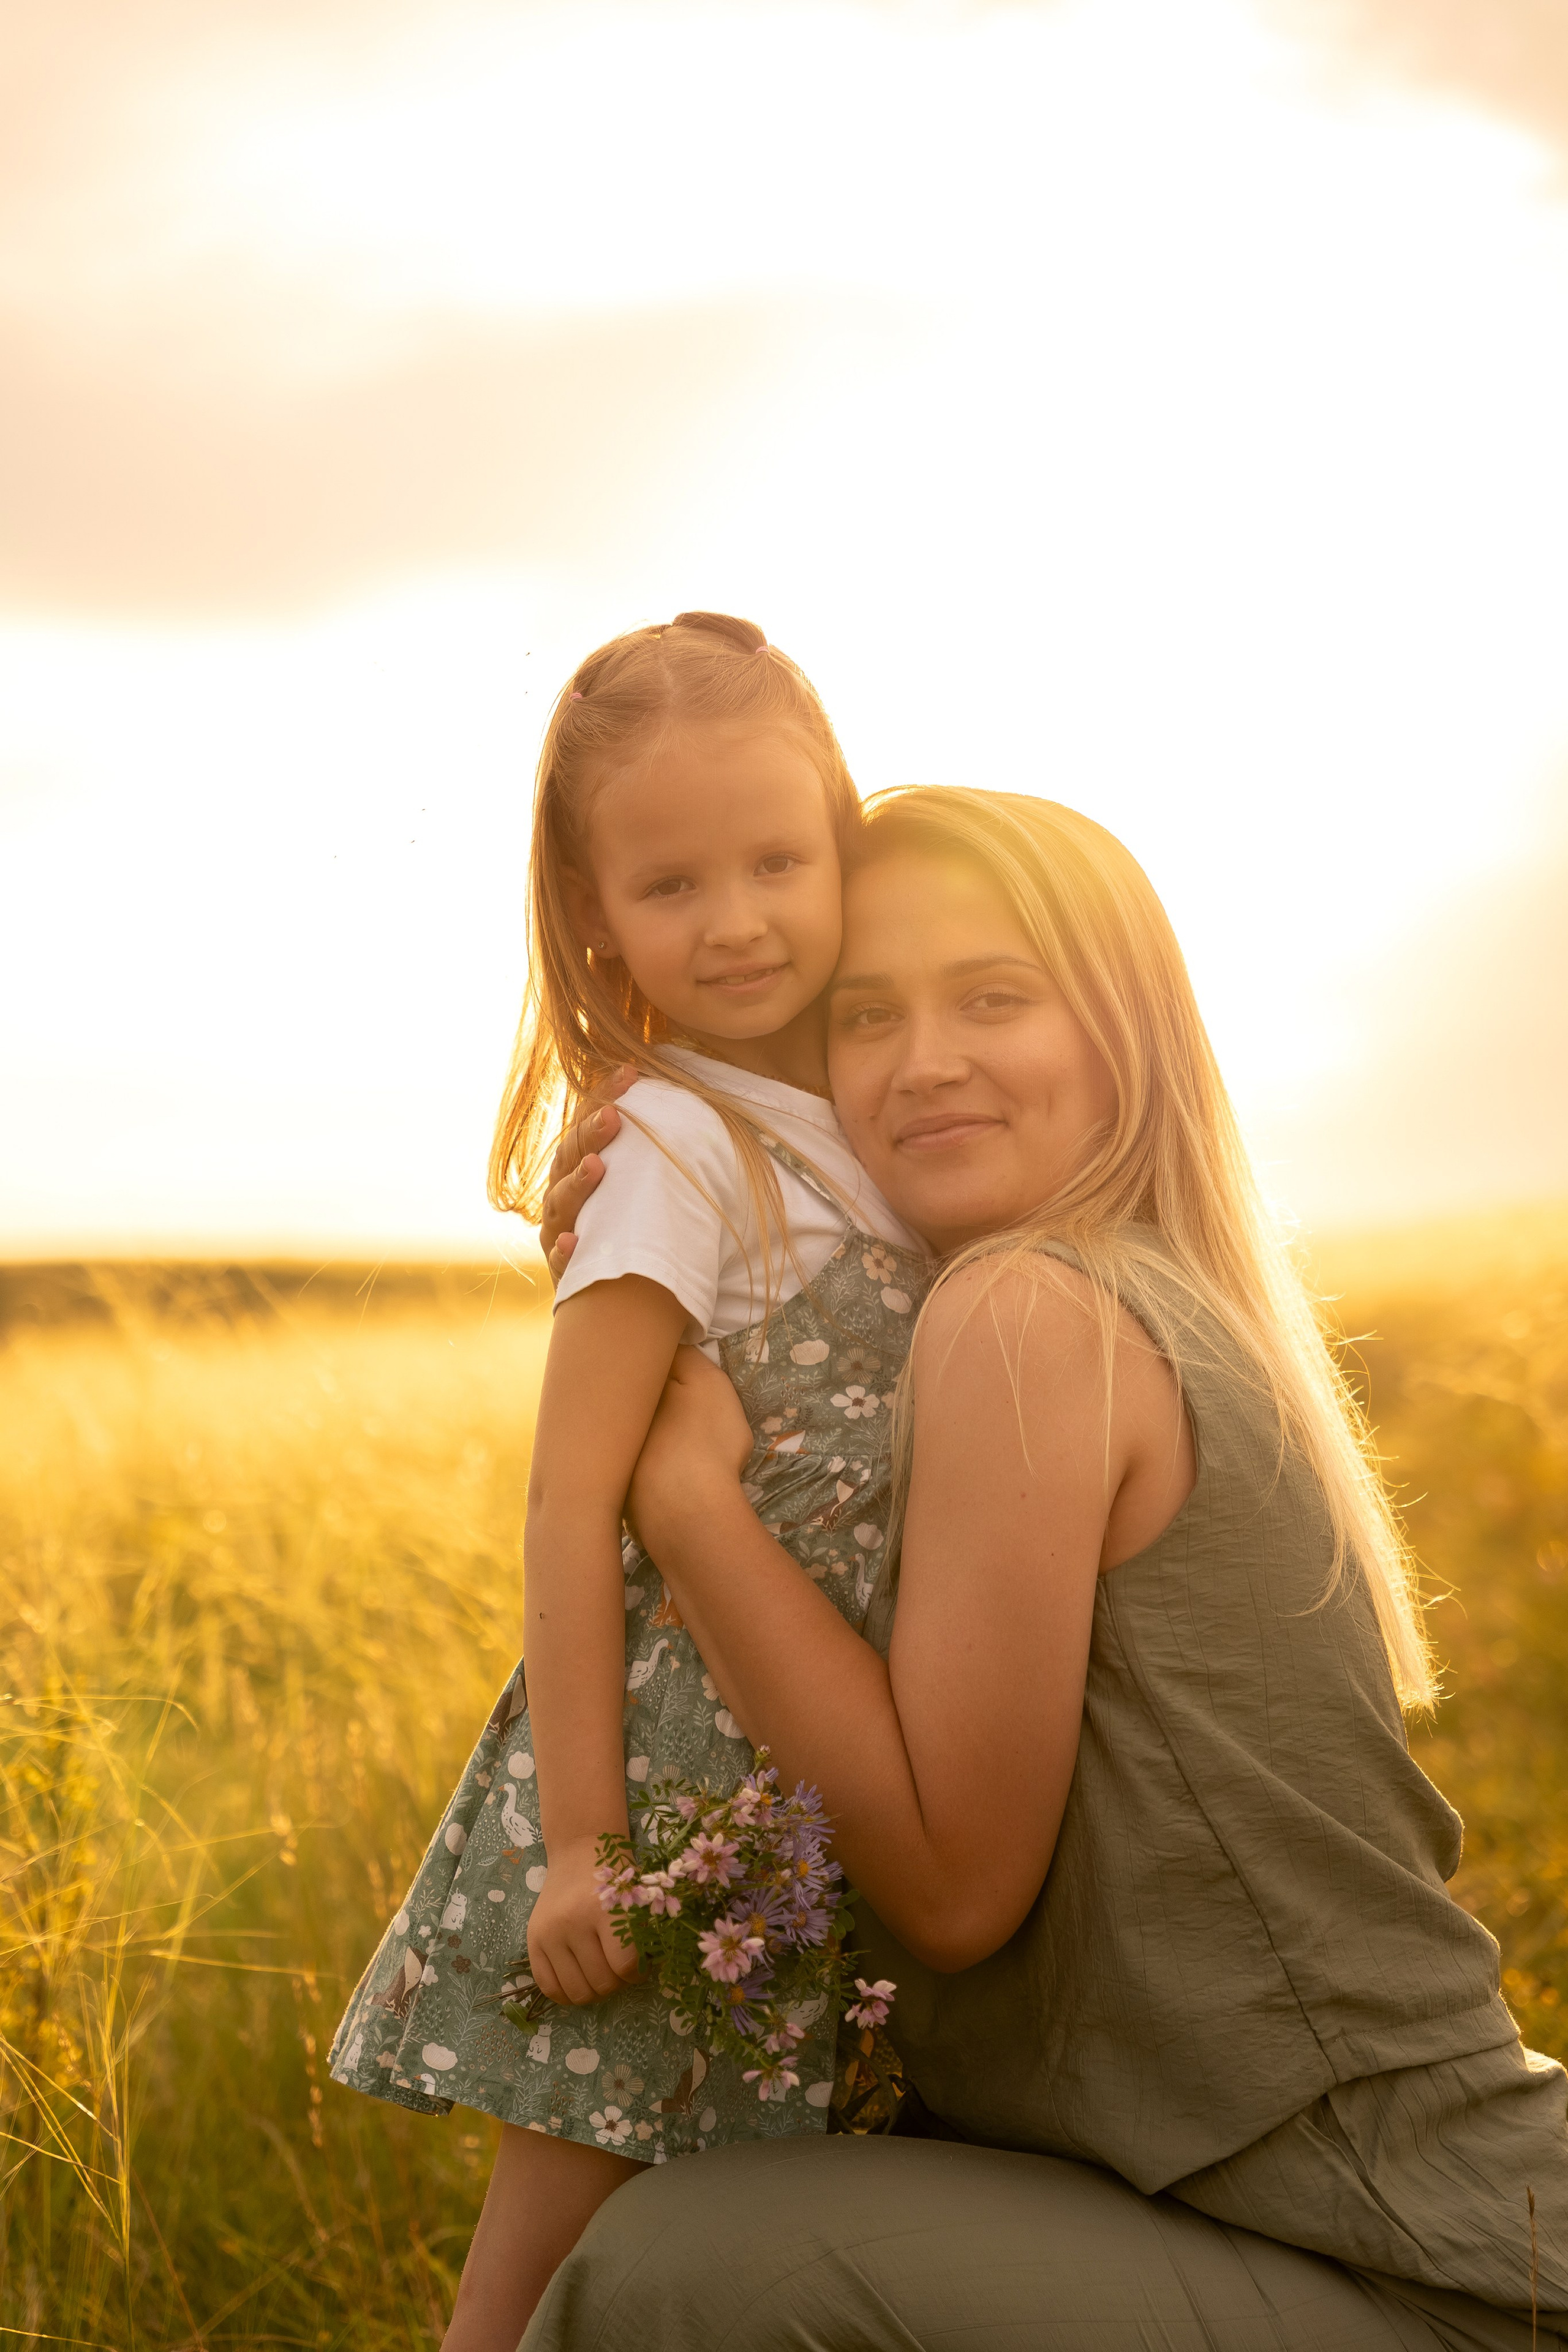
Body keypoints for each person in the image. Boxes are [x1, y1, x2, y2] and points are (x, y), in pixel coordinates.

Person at [524, 786, 1567, 2351]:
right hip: (1343, 2204)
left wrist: (687, 1505)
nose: (923, 1058)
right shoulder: (1135, 1299)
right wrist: (658, 1254)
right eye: (864, 1016)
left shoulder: (1028, 1316)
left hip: (1408, 2258)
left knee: (665, 2272)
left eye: (994, 996)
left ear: (1122, 1033)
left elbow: (948, 1890)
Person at [326, 613, 928, 2350]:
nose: (736, 920)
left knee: (751, 2248)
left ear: (843, 845)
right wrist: (586, 1840)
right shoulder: (669, 1141)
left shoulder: (863, 1101)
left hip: (831, 1763)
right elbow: (567, 1499)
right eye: (671, 886)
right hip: (683, 1784)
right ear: (594, 913)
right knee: (550, 2262)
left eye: (774, 862)